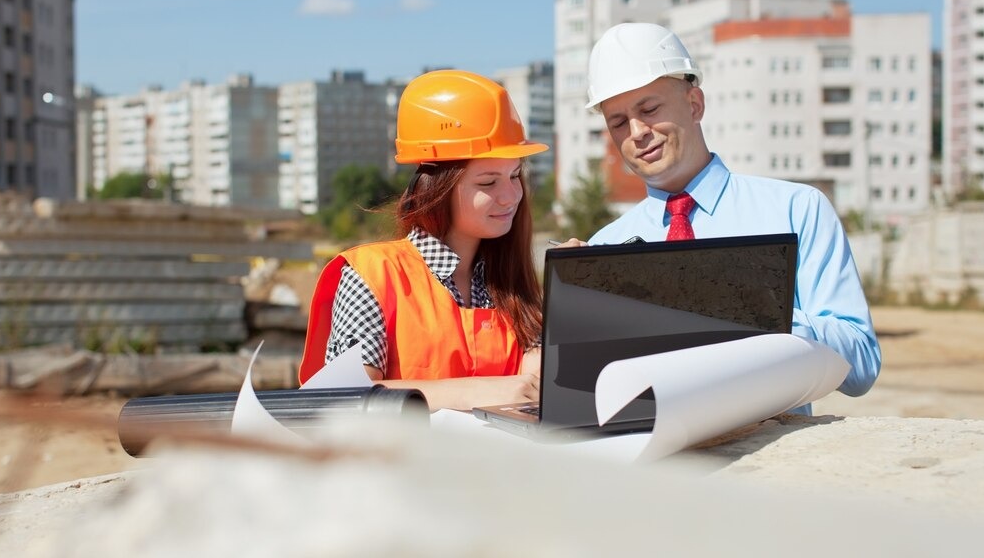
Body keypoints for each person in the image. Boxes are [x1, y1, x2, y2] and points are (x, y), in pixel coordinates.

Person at [580, 22, 880, 412]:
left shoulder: (796, 209)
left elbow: (861, 369)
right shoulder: (606, 249)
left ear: (694, 104)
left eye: (649, 109)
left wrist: (748, 310)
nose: (637, 132)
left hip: (766, 462)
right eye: (618, 122)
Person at [299, 69, 547, 411]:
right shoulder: (372, 276)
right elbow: (345, 397)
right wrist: (476, 393)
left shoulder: (510, 280)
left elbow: (534, 388)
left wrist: (565, 303)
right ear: (439, 189)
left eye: (515, 175)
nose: (510, 196)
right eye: (488, 183)